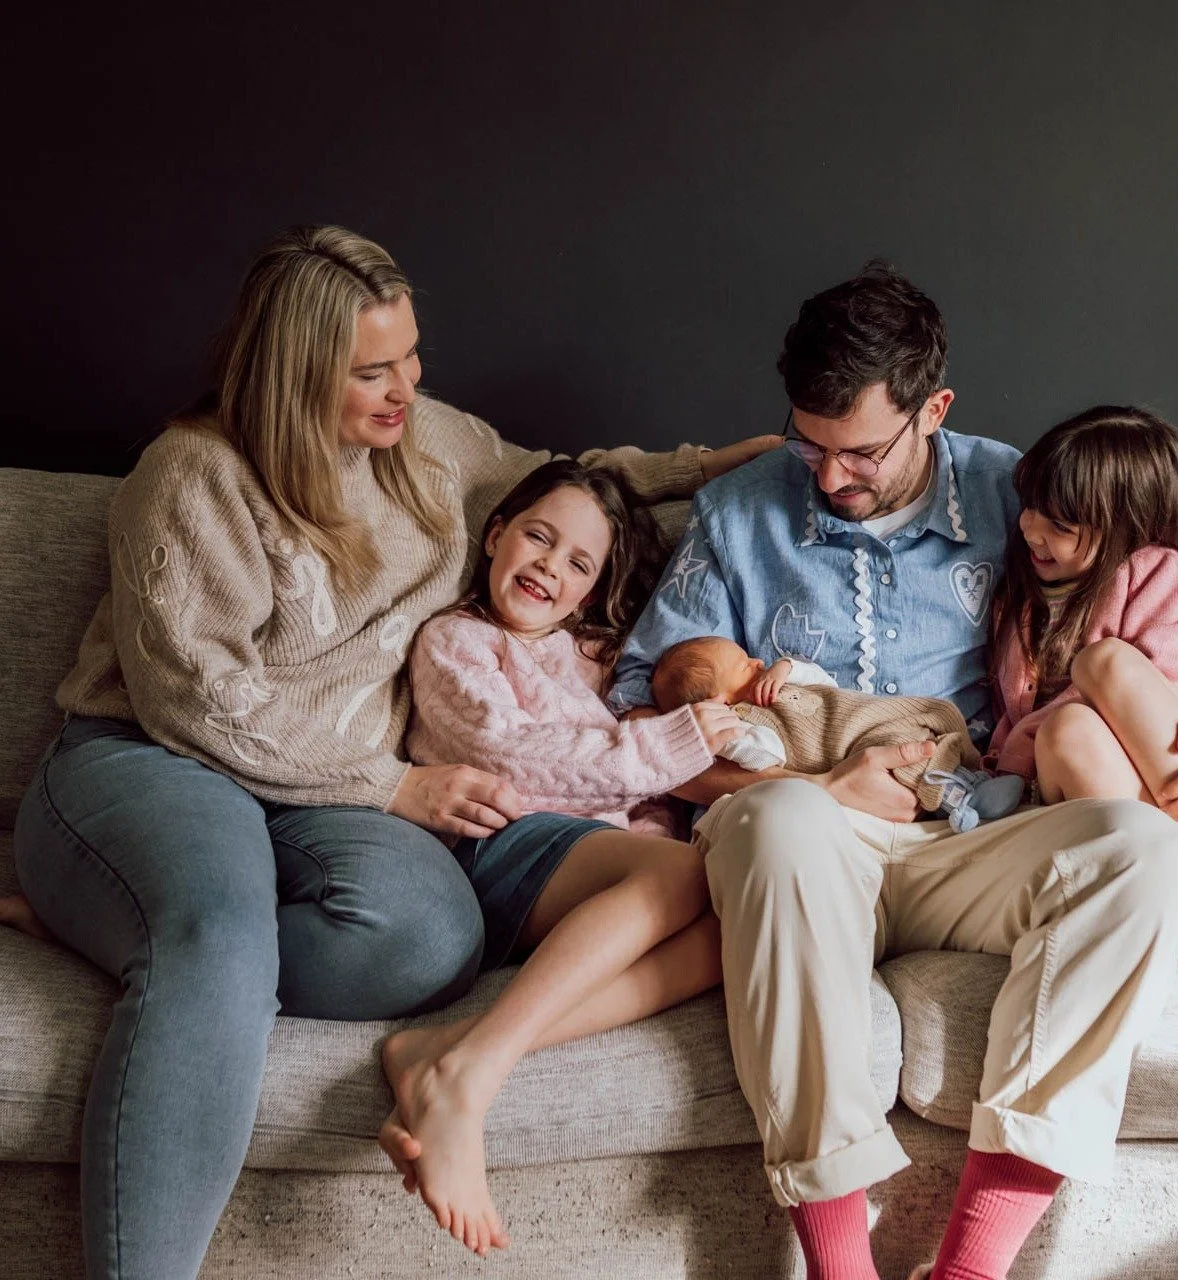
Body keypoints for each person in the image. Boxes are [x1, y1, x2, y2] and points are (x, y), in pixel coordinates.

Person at [4, 224, 775, 1280]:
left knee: (429, 938)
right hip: (160, 758)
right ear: (291, 371)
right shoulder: (190, 478)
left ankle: (113, 927)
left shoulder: (426, 441)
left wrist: (710, 469)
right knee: (221, 936)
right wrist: (392, 782)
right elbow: (197, 700)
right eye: (373, 371)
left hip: (328, 799)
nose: (404, 386)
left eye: (410, 356)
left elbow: (561, 478)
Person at [606, 262, 1178, 1280]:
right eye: (809, 445)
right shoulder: (739, 513)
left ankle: (969, 1266)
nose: (830, 475)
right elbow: (636, 703)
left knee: (1145, 848)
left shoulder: (1027, 495)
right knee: (774, 822)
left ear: (935, 409)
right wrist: (798, 789)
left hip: (978, 833)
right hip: (809, 830)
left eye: (861, 451)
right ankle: (840, 1266)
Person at [376, 458, 742, 1256]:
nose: (550, 565)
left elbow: (637, 782)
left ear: (591, 588)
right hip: (498, 843)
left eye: (579, 562)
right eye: (538, 538)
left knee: (727, 926)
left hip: (590, 859)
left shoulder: (593, 658)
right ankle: (467, 1077)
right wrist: (671, 744)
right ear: (497, 534)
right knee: (679, 876)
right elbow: (515, 755)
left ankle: (451, 1048)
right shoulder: (456, 642)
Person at [986, 405, 1178, 991]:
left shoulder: (1162, 575)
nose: (1031, 530)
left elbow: (1165, 695)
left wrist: (1018, 744)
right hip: (1106, 800)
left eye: (1060, 524)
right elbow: (1021, 712)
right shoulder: (1020, 594)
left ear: (1129, 525)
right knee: (1065, 729)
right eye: (1030, 509)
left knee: (1103, 664)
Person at [651, 636, 1024, 830]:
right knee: (906, 755)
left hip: (864, 714)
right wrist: (726, 736)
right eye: (742, 665)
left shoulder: (773, 681)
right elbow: (768, 758)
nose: (756, 661)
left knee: (938, 711)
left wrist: (786, 667)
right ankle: (963, 800)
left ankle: (978, 770)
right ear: (719, 702)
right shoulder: (745, 725)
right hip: (850, 746)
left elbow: (824, 681)